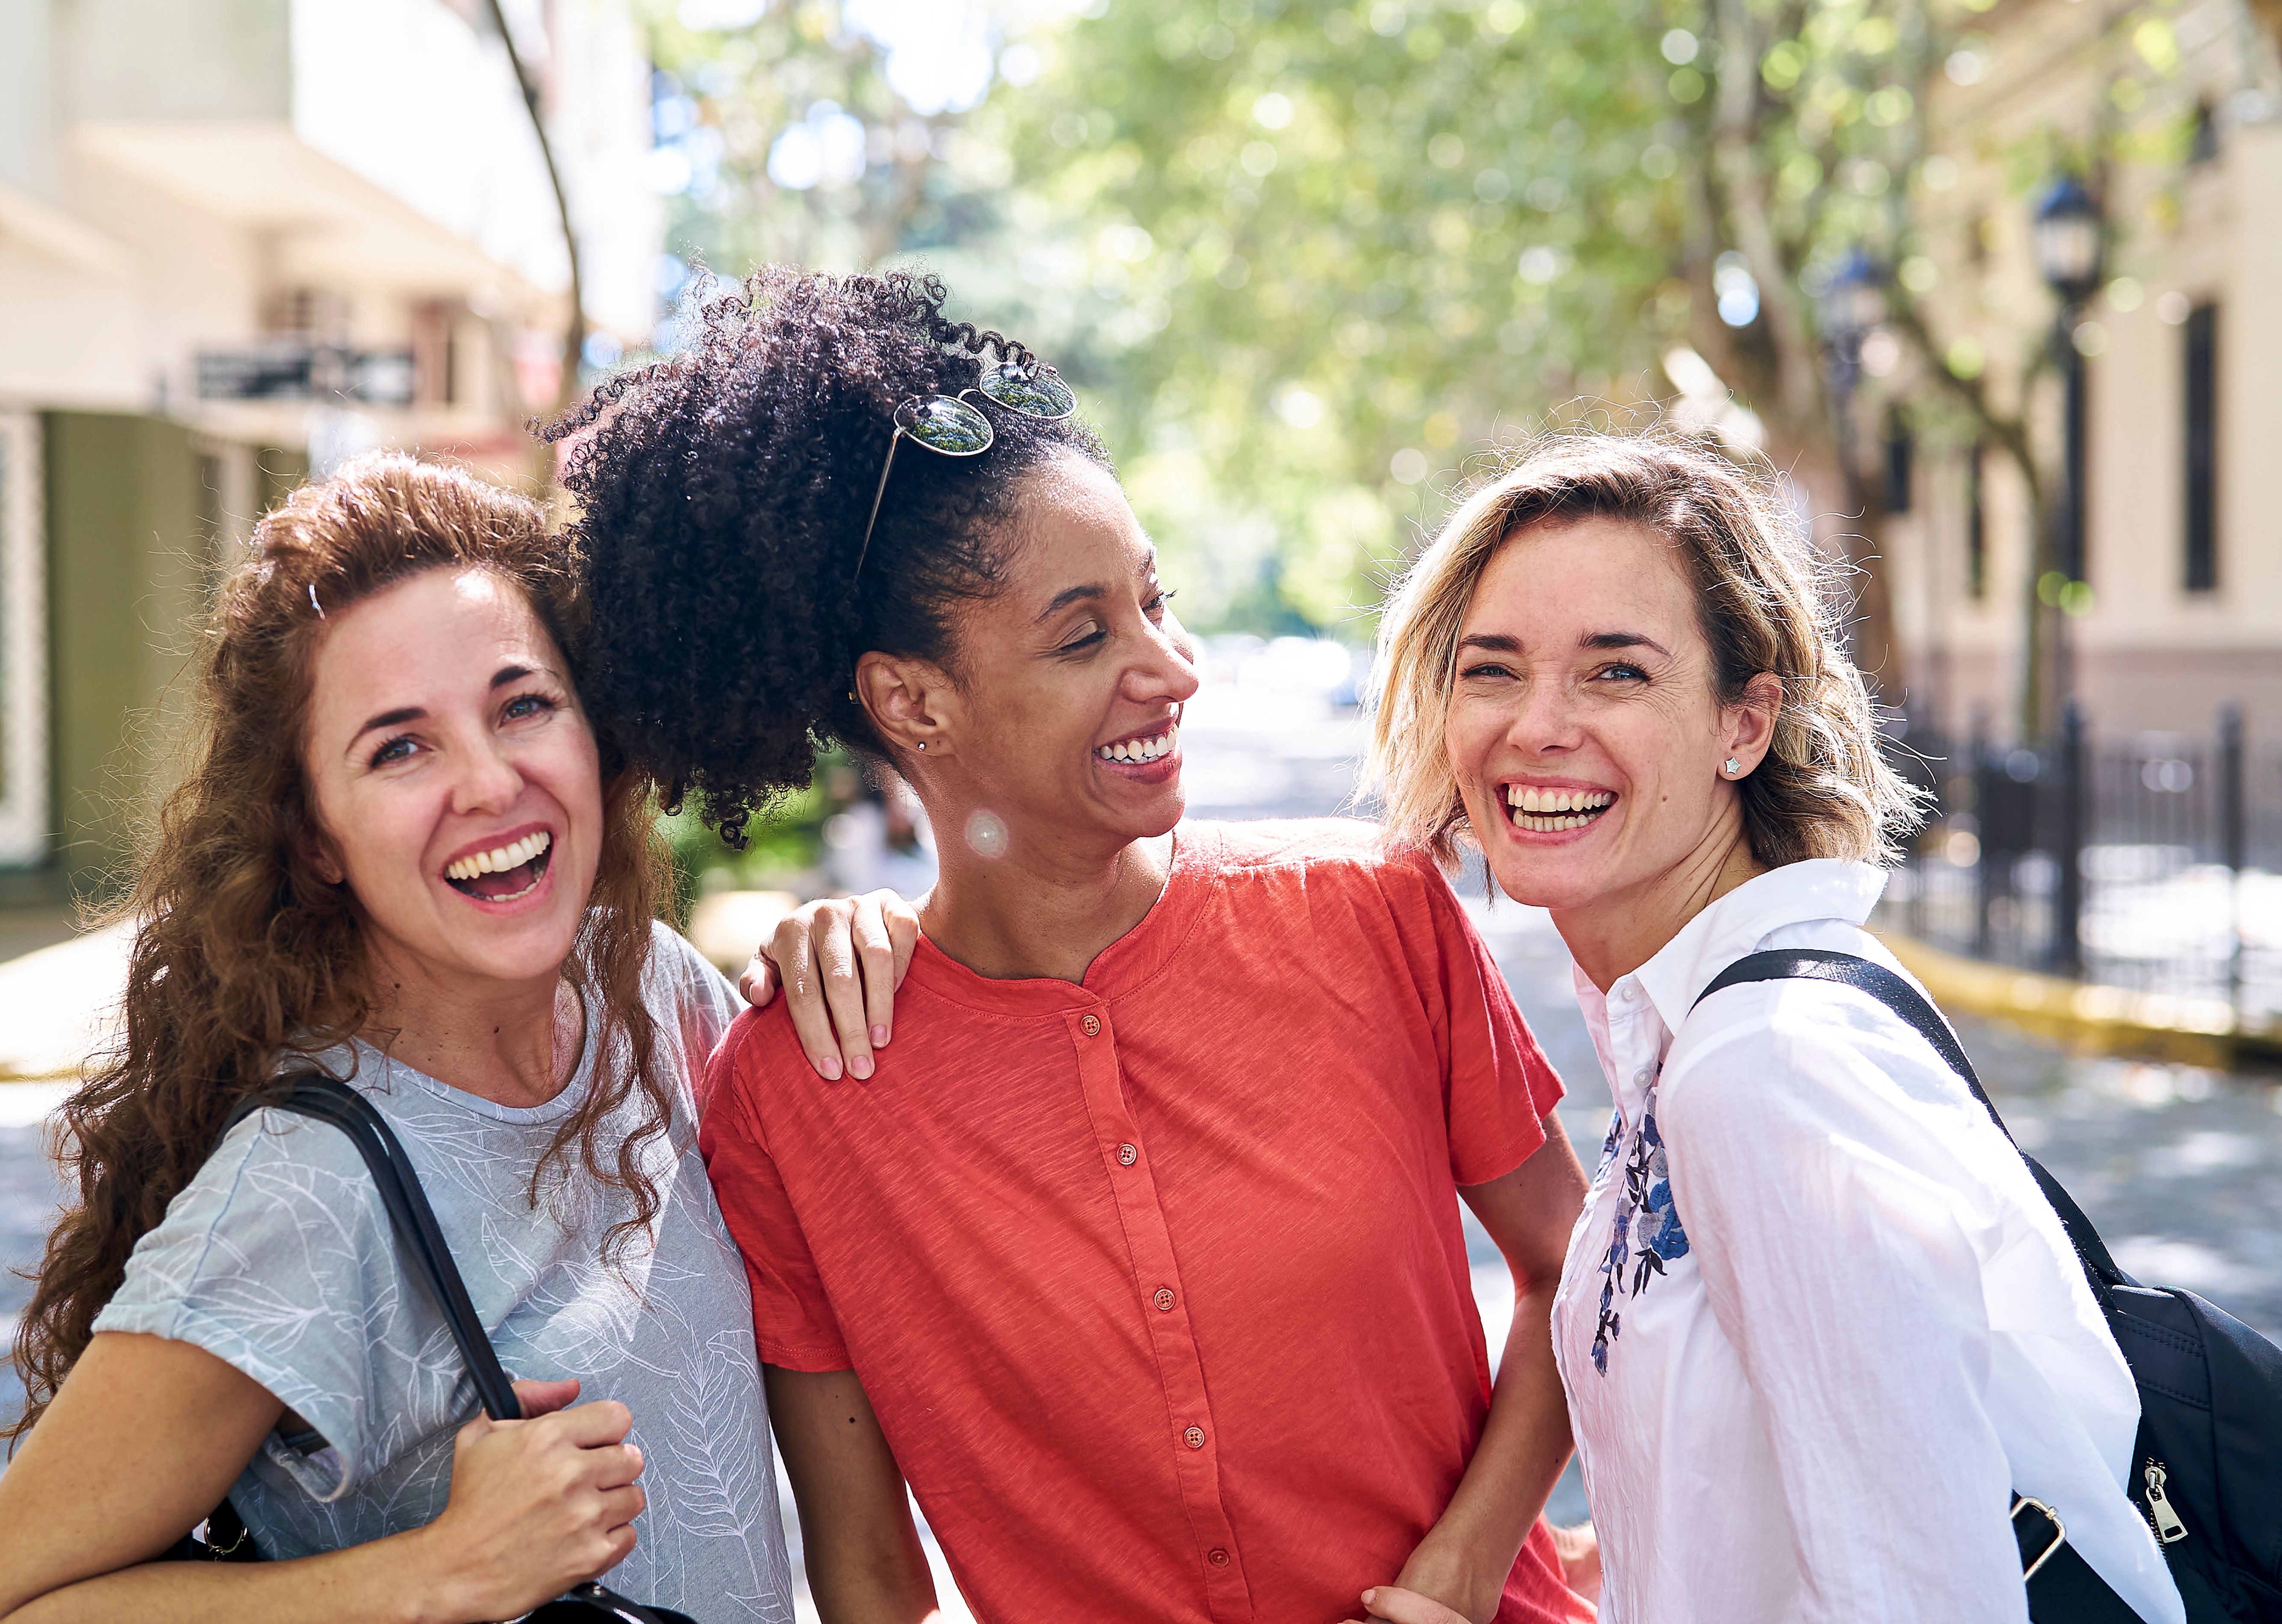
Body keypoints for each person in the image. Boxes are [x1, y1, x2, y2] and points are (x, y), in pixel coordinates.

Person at [555, 268, 1591, 1624]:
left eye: (1154, 602)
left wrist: (1457, 1577)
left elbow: (1579, 1270)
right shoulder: (798, 1095)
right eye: (1085, 634)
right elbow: (869, 1580)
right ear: (912, 701)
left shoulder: (1373, 914)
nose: (1169, 668)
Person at [0, 457, 799, 1624]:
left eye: (522, 706)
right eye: (401, 748)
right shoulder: (301, 1191)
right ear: (317, 840)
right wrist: (443, 1570)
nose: (490, 783)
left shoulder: (654, 991)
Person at [1364, 432, 2187, 1624]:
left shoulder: (1764, 1074)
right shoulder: (1691, 1032)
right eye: (1492, 670)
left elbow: (1924, 1605)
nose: (1538, 725)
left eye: (1617, 674)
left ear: (1744, 726)